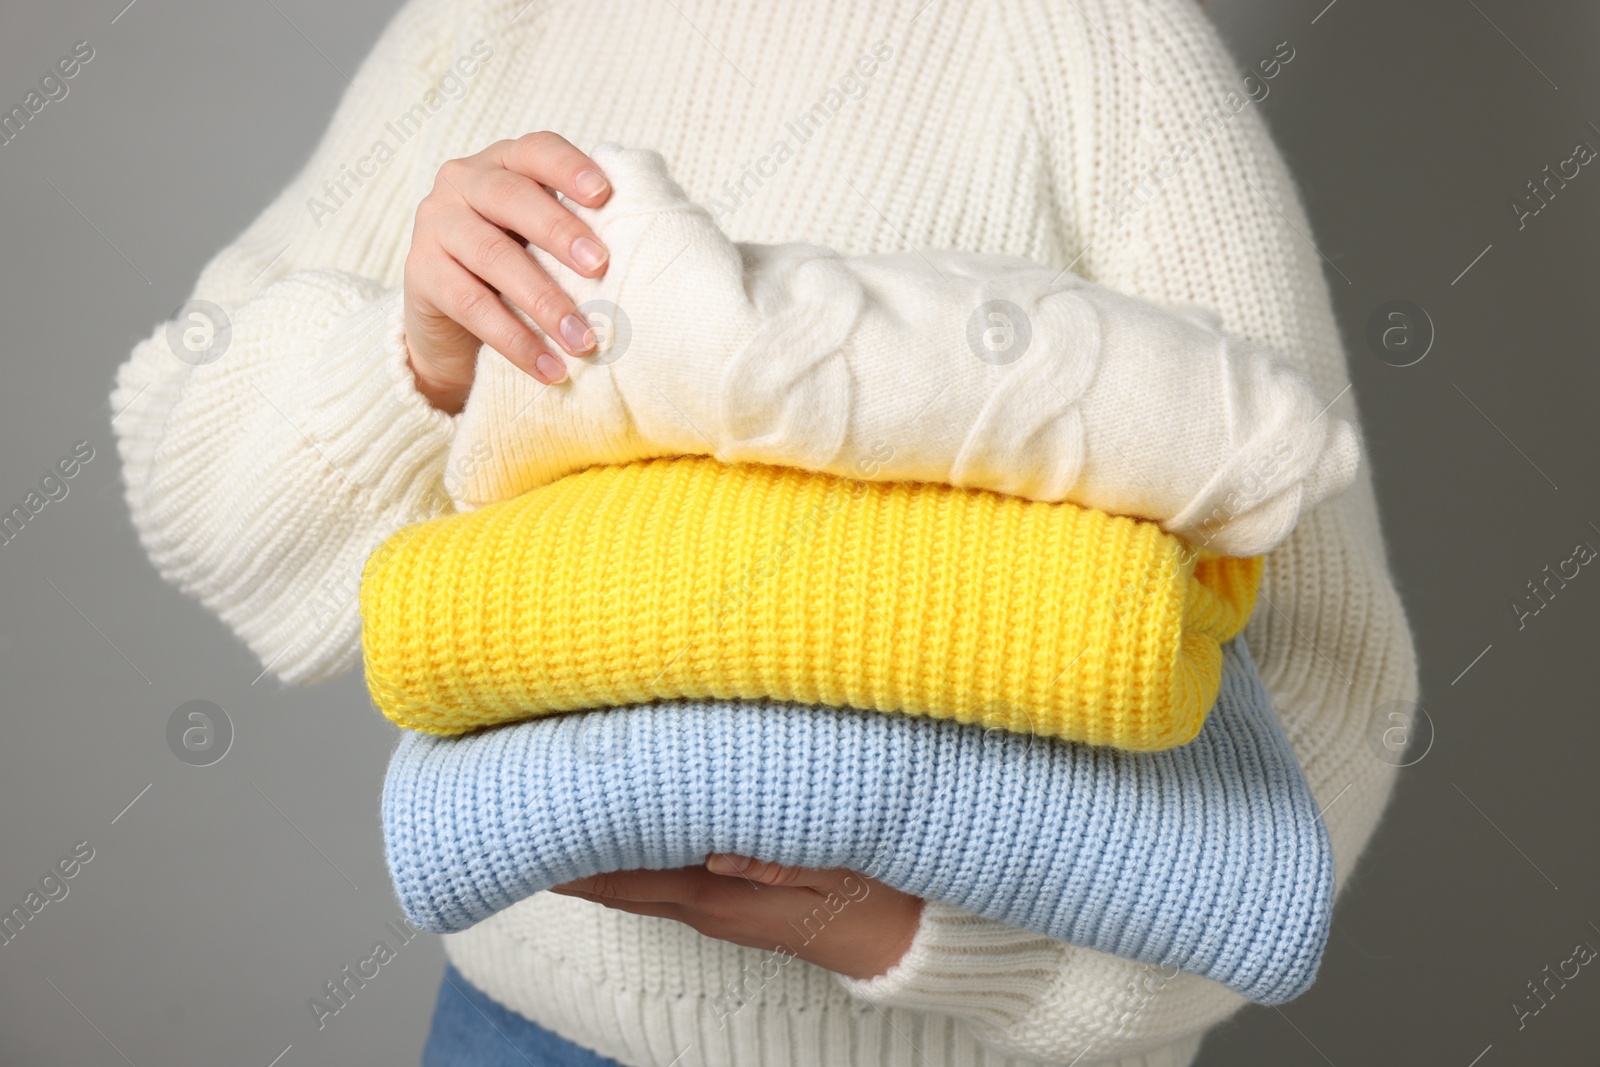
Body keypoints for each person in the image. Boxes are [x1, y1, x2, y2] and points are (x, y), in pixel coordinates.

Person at [107, 0, 1418, 1063]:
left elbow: (1322, 680)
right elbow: (186, 465)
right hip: (522, 1037)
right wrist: (412, 360)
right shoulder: (493, 23)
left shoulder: (1104, 49)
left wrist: (940, 935)